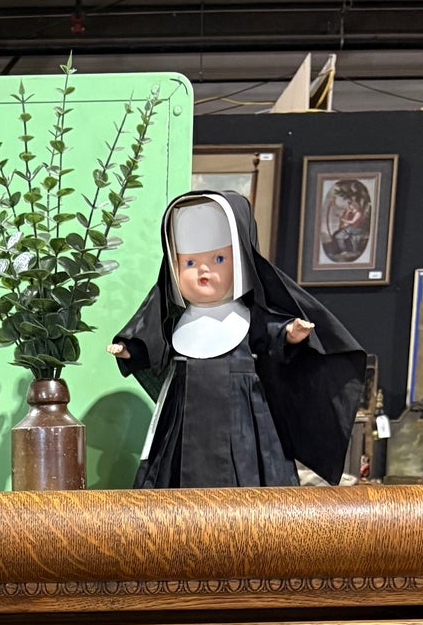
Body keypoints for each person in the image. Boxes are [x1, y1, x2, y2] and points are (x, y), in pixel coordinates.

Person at [108, 191, 365, 488]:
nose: (204, 271)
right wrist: (131, 349)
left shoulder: (247, 317)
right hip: (184, 416)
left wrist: (289, 333)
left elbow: (269, 333)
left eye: (218, 259)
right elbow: (155, 341)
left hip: (243, 417)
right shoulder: (177, 320)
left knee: (245, 485)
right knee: (174, 484)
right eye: (190, 263)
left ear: (240, 261)